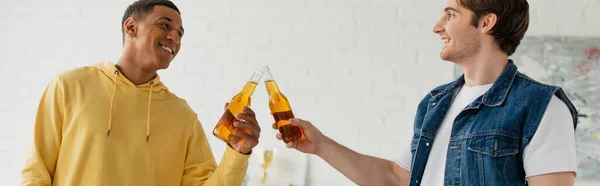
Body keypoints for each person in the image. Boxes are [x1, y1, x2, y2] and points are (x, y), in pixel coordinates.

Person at [274, 0, 579, 185]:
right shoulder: (435, 104)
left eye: (451, 15)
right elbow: (396, 179)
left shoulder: (542, 107)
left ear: (486, 22)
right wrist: (321, 146)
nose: (437, 26)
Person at [20, 0, 261, 185]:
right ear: (132, 27)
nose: (174, 37)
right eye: (165, 25)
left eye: (180, 33)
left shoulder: (183, 116)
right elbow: (36, 172)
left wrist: (237, 153)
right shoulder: (69, 87)